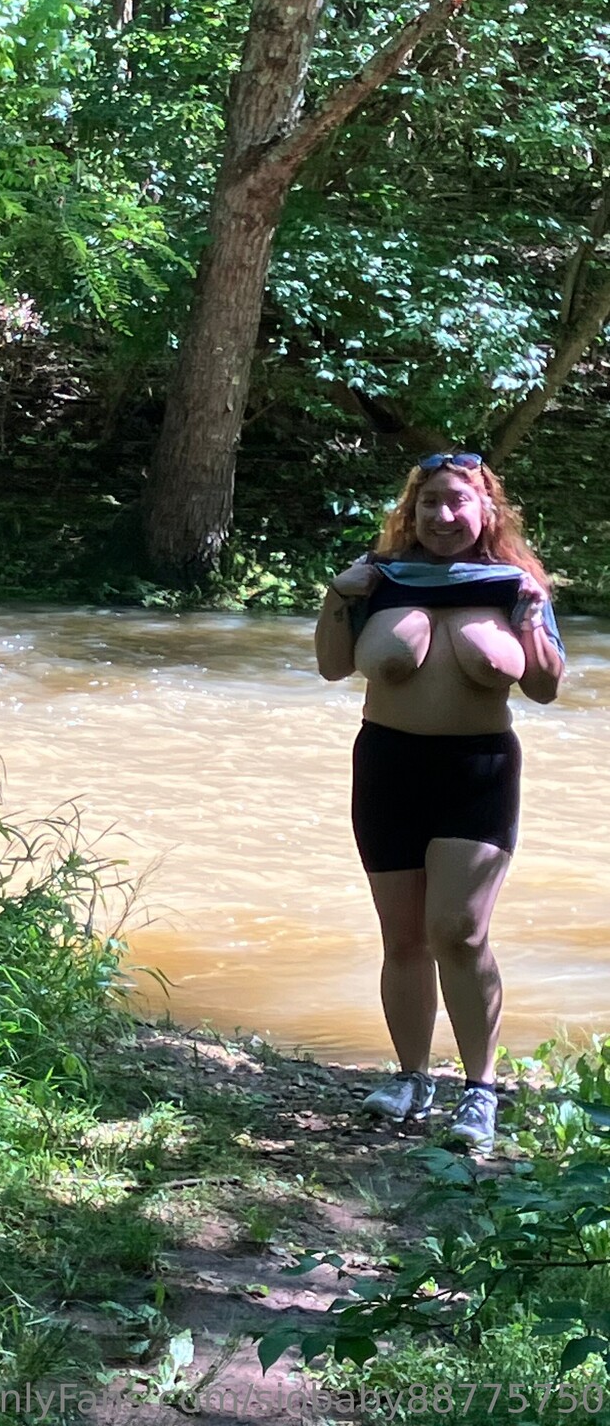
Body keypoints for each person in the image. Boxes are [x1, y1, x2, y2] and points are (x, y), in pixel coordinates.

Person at [314, 452, 565, 1152]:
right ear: (412, 510)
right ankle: (411, 1077)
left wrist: (533, 616)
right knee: (403, 939)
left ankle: (480, 1090)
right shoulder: (379, 578)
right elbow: (332, 667)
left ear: (487, 510)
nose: (443, 515)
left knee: (459, 930)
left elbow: (545, 688)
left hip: (477, 770)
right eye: (430, 502)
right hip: (387, 766)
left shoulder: (513, 583)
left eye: (459, 501)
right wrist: (339, 595)